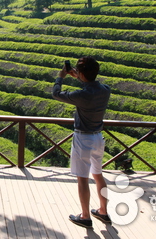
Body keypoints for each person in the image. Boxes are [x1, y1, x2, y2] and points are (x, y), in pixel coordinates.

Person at [52, 56, 112, 229]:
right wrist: (80, 77)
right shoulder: (105, 90)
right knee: (98, 175)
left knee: (83, 179)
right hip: (98, 138)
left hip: (83, 138)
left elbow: (56, 94)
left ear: (82, 73)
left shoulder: (81, 95)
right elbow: (91, 86)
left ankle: (85, 216)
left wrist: (61, 77)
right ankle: (103, 211)